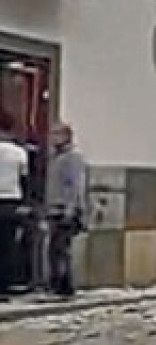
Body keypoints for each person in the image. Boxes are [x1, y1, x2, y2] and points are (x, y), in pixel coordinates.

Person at [45, 122, 86, 298]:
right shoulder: (55, 157)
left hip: (64, 210)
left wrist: (71, 208)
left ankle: (64, 286)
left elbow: (76, 184)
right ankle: (58, 284)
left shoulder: (72, 157)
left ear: (66, 136)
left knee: (61, 248)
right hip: (54, 209)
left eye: (57, 134)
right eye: (52, 134)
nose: (52, 138)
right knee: (55, 249)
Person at [0, 113, 28, 299]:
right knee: (8, 244)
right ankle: (6, 283)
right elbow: (25, 179)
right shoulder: (19, 153)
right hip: (12, 200)